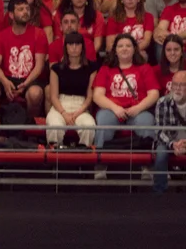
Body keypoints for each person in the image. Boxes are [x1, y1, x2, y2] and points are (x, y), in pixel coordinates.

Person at [91, 33, 160, 179]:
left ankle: (147, 165)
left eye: (128, 46)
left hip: (138, 109)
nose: (124, 49)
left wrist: (138, 108)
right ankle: (101, 164)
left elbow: (154, 94)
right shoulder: (106, 69)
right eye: (120, 46)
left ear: (134, 49)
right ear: (115, 50)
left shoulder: (145, 68)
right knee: (103, 120)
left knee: (146, 121)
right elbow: (97, 95)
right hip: (112, 109)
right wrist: (115, 108)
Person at [0, 0, 48, 118]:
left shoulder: (39, 34)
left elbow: (39, 66)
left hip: (30, 78)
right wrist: (5, 82)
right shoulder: (0, 36)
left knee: (35, 93)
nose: (25, 12)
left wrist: (26, 83)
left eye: (27, 9)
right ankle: (1, 122)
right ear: (11, 15)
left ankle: (29, 124)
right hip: (7, 77)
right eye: (21, 9)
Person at [46, 32, 97, 149]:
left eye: (77, 44)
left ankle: (84, 156)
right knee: (55, 126)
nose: (74, 48)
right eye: (70, 44)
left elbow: (90, 96)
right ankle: (55, 156)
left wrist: (78, 112)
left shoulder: (91, 68)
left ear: (82, 47)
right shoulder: (56, 68)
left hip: (81, 105)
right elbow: (53, 97)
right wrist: (64, 113)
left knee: (89, 126)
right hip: (60, 104)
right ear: (66, 47)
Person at [153, 69, 186, 193]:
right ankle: (159, 193)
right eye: (175, 84)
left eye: (182, 85)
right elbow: (159, 131)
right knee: (161, 156)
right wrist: (173, 144)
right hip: (168, 141)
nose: (177, 88)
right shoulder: (163, 102)